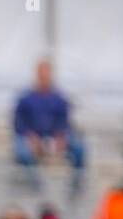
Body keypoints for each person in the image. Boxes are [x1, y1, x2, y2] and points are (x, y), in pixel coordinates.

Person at [12, 59, 86, 189]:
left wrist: (60, 136)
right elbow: (18, 122)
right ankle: (35, 186)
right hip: (30, 137)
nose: (44, 76)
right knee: (22, 151)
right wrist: (30, 136)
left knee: (79, 148)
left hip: (53, 137)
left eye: (47, 73)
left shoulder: (59, 98)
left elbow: (64, 120)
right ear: (36, 74)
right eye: (42, 73)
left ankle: (76, 186)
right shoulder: (25, 98)